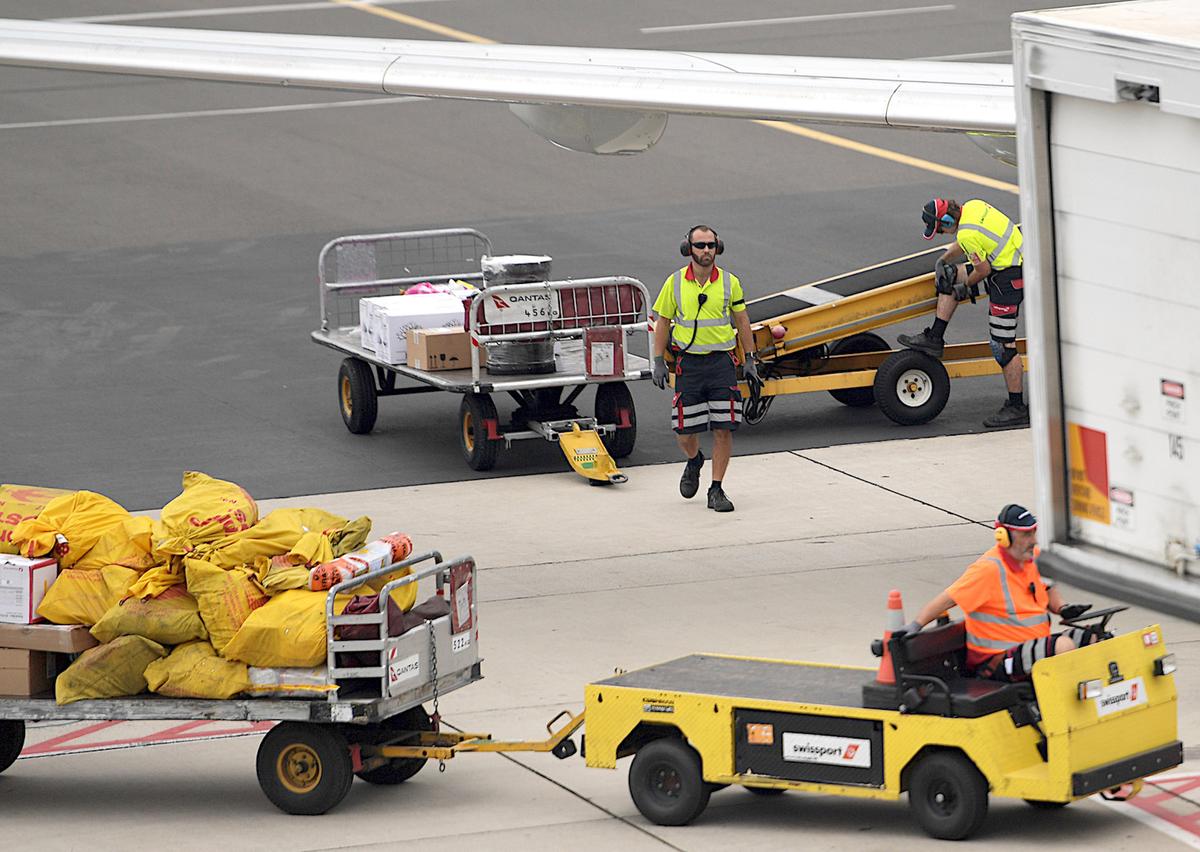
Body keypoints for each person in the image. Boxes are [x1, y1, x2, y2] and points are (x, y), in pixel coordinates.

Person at [900, 504, 1097, 681]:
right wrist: (916, 625)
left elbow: (1047, 587)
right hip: (997, 659)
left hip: (1032, 646)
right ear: (1003, 537)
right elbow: (947, 600)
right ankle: (1067, 713)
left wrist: (1062, 608)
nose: (1033, 540)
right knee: (1064, 647)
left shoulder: (1034, 558)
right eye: (1026, 535)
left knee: (1094, 637)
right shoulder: (988, 569)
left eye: (1034, 532)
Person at [650, 225, 760, 513]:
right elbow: (662, 322)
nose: (706, 251)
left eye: (711, 245)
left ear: (718, 247)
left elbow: (742, 320)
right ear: (689, 249)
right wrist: (658, 360)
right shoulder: (674, 283)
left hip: (721, 363)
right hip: (689, 365)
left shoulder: (729, 282)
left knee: (723, 428)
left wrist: (750, 359)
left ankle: (716, 489)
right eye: (700, 246)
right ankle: (695, 459)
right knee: (684, 432)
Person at [898, 198, 1029, 428]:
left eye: (939, 229)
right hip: (1007, 264)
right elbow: (967, 243)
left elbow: (982, 269)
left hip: (1010, 277)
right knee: (948, 277)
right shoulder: (973, 207)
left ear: (947, 220)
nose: (940, 233)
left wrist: (966, 286)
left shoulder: (967, 233)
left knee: (1003, 346)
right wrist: (942, 261)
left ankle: (1016, 407)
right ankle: (934, 338)